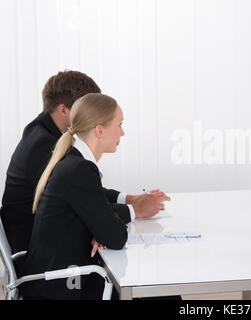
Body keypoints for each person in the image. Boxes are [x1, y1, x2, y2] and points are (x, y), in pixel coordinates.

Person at [0, 71, 162, 273]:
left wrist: (124, 201)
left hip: (56, 251)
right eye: (82, 106)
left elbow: (84, 196)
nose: (85, 112)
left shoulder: (60, 146)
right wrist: (121, 216)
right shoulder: (43, 144)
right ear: (64, 110)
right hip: (45, 262)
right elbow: (86, 202)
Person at [21, 93, 170, 300]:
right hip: (63, 287)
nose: (123, 132)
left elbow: (96, 202)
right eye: (119, 125)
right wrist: (104, 228)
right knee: (162, 294)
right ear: (99, 131)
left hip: (60, 279)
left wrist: (101, 227)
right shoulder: (79, 169)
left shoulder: (72, 159)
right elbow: (116, 237)